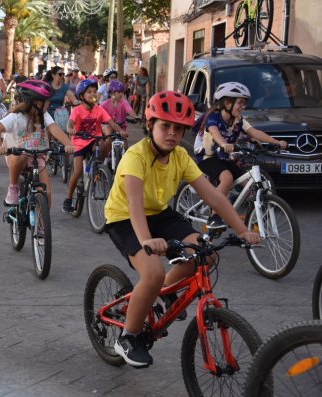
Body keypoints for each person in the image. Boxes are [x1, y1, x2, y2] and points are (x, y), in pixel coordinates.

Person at [103, 90, 261, 368]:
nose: (172, 133)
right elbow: (135, 204)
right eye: (165, 126)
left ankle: (160, 296)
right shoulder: (134, 156)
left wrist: (242, 230)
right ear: (150, 125)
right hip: (125, 217)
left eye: (179, 128)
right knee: (152, 273)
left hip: (160, 214)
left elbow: (214, 196)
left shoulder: (180, 156)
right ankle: (127, 337)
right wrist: (147, 241)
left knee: (206, 254)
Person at [195, 82, 287, 228]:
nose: (243, 107)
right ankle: (215, 216)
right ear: (227, 103)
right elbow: (214, 132)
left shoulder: (238, 120)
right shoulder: (213, 117)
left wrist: (275, 142)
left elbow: (254, 132)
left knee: (248, 184)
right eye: (240, 103)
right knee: (227, 177)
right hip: (207, 157)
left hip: (224, 157)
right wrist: (223, 143)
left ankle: (253, 216)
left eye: (244, 103)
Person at [0, 80, 73, 207]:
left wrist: (68, 144)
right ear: (36, 102)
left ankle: (41, 224)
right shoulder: (16, 116)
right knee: (22, 155)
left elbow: (54, 129)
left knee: (47, 194)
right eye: (47, 100)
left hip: (37, 156)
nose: (49, 103)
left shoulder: (43, 115)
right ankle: (13, 187)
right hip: (17, 155)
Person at [63, 79, 127, 213]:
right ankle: (68, 198)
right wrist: (70, 129)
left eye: (94, 91)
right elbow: (70, 122)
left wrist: (119, 130)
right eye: (89, 92)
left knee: (104, 143)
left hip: (93, 140)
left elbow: (111, 122)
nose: (93, 94)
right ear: (81, 96)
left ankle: (98, 166)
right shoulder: (77, 110)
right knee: (78, 171)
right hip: (79, 142)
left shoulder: (99, 110)